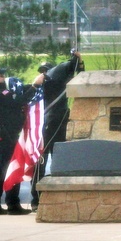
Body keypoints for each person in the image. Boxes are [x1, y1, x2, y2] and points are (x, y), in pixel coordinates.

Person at [0, 66, 42, 215]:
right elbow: (18, 102)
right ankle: (13, 204)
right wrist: (35, 86)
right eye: (1, 76)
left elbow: (15, 98)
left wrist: (30, 86)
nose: (4, 78)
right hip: (5, 138)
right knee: (10, 169)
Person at [30, 51, 82, 209]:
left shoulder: (55, 83)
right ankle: (36, 199)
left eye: (46, 71)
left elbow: (71, 69)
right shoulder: (38, 88)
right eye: (42, 72)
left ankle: (56, 196)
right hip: (45, 127)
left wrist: (76, 59)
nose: (44, 74)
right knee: (41, 163)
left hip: (56, 124)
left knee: (59, 162)